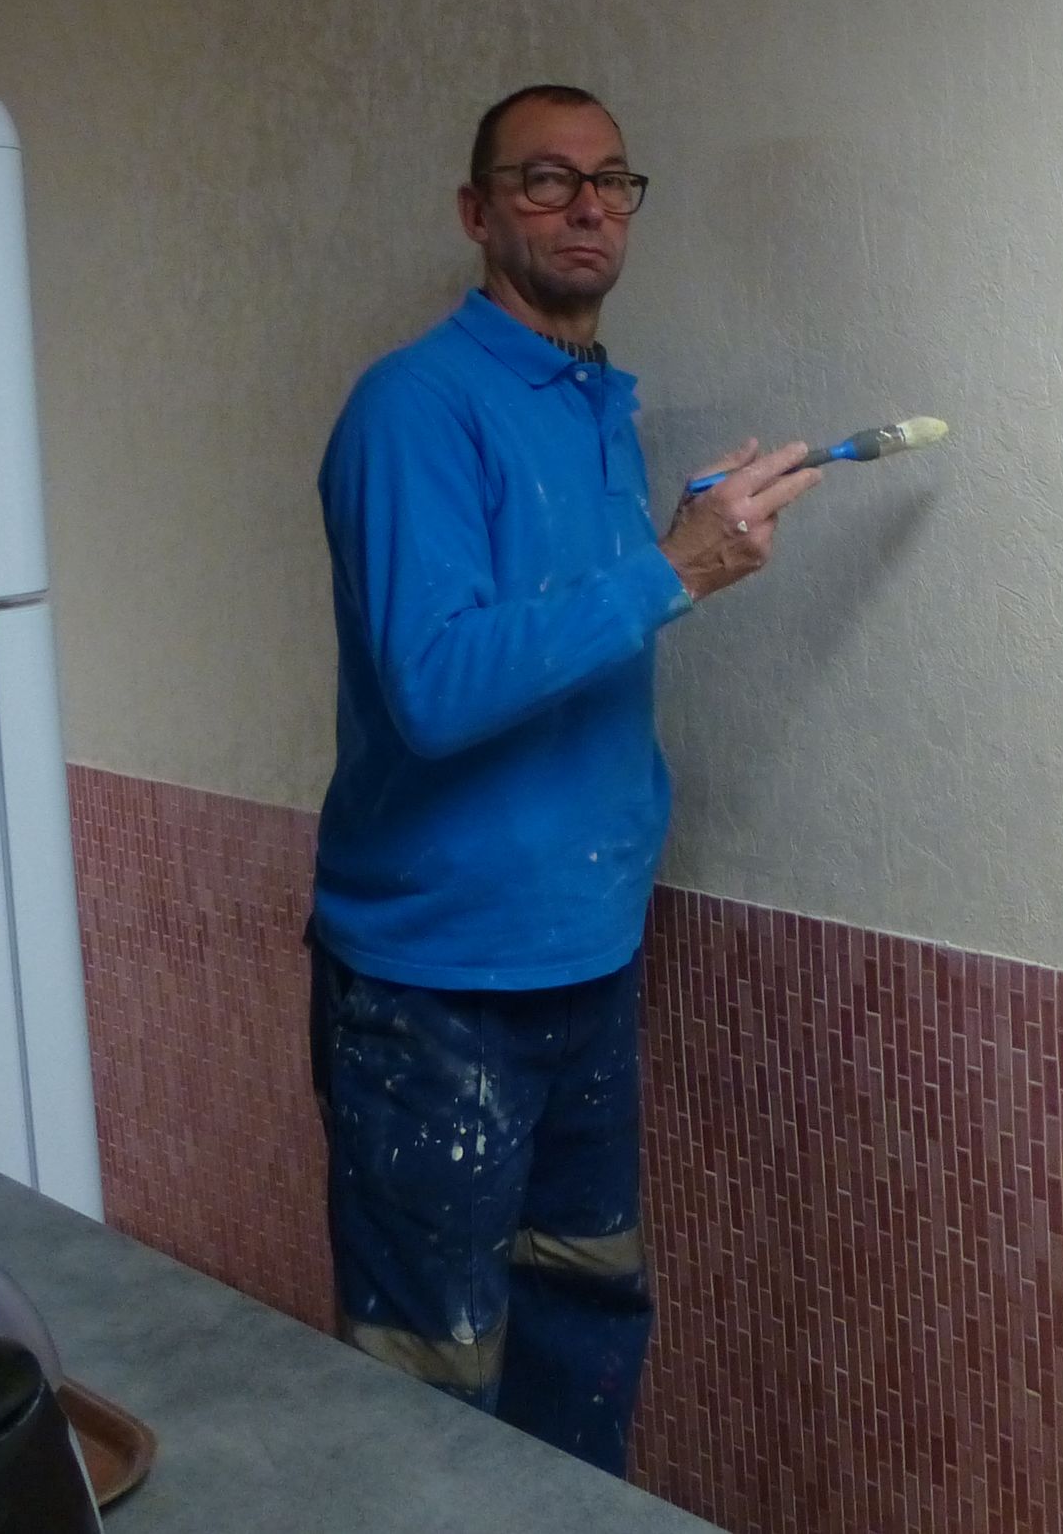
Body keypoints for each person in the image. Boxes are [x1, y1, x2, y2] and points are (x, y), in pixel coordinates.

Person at [307, 82, 818, 1473]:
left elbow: (560, 633)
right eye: (545, 180)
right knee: (429, 1378)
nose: (588, 206)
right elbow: (434, 685)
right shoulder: (415, 406)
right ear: (477, 213)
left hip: (584, 963)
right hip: (434, 989)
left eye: (611, 181)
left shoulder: (595, 400)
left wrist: (670, 552)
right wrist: (672, 571)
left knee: (585, 1330)